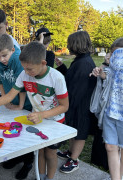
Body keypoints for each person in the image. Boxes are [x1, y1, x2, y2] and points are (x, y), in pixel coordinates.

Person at [0, 41, 69, 180]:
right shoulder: (25, 74)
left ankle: (49, 178)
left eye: (30, 69)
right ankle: (41, 176)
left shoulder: (56, 78)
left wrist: (42, 114)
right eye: (24, 68)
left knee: (50, 153)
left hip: (55, 120)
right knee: (39, 150)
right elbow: (9, 96)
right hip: (37, 119)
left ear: (43, 63)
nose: (26, 73)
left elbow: (64, 106)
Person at [55, 31, 97, 174]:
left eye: (69, 44)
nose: (68, 46)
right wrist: (62, 67)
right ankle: (70, 152)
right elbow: (72, 79)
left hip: (80, 106)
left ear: (76, 44)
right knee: (73, 130)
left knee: (79, 133)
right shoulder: (81, 60)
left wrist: (66, 105)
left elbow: (77, 89)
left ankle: (74, 159)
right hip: (75, 104)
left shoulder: (84, 63)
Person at [0, 34, 33, 179]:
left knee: (25, 134)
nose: (2, 59)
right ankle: (17, 157)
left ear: (12, 49)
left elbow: (22, 87)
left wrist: (20, 105)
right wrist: (5, 101)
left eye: (4, 55)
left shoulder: (17, 59)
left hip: (26, 103)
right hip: (12, 101)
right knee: (12, 130)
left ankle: (28, 162)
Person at [90, 38, 123, 180]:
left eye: (116, 53)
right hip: (110, 113)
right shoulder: (111, 69)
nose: (113, 56)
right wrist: (100, 70)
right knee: (110, 147)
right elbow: (105, 75)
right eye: (112, 53)